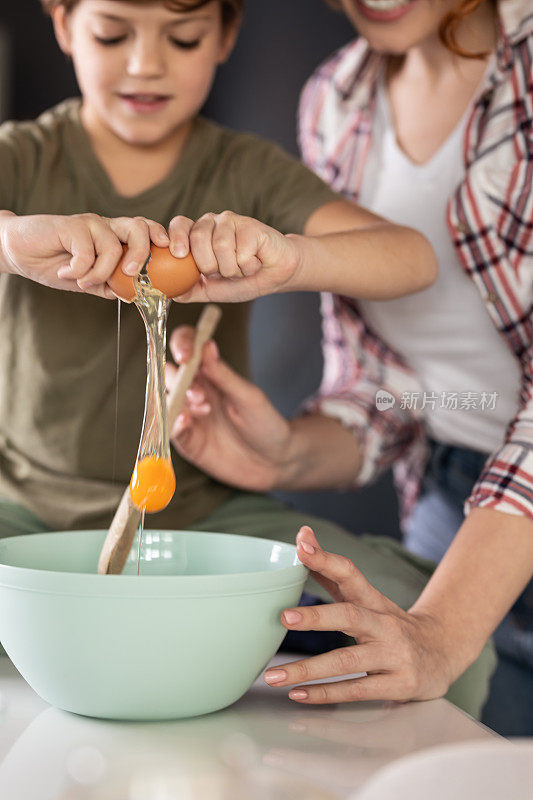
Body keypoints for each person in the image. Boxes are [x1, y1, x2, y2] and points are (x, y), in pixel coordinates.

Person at [167, 0, 532, 731]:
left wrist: (441, 631)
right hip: (453, 497)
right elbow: (388, 384)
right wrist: (286, 455)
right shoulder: (337, 100)